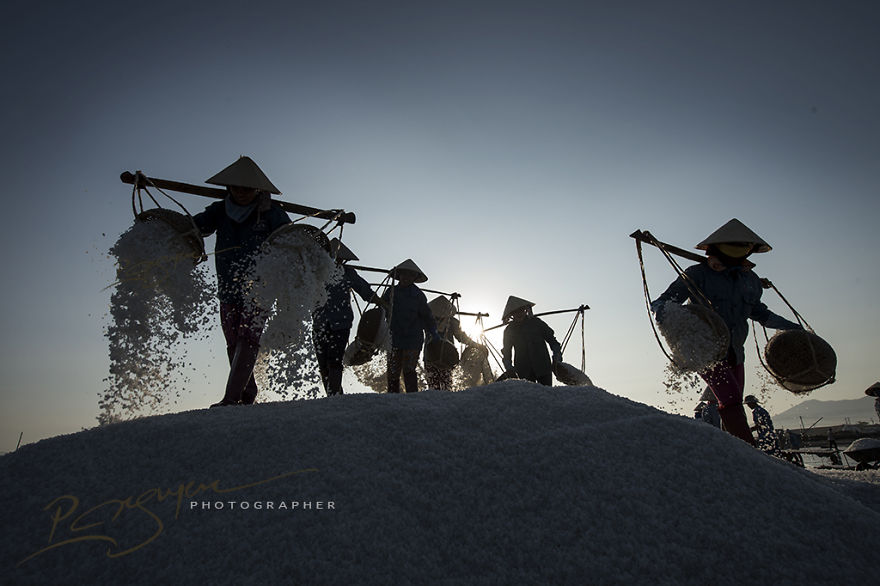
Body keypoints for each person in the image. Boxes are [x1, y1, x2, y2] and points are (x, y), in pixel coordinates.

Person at [651, 219, 802, 444]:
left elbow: (760, 313)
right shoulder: (697, 274)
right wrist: (671, 318)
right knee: (730, 399)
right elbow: (662, 302)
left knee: (732, 401)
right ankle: (750, 452)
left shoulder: (750, 281)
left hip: (735, 350)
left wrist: (794, 328)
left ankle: (729, 447)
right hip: (706, 349)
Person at [193, 156, 291, 407]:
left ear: (258, 189)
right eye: (237, 187)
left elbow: (290, 240)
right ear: (229, 188)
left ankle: (232, 397)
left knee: (248, 337)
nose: (242, 193)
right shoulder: (220, 210)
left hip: (261, 287)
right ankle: (247, 393)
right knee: (233, 340)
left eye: (248, 188)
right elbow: (196, 228)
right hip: (227, 286)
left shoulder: (272, 212)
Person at [312, 238, 385, 396]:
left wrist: (379, 301)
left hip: (341, 323)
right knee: (323, 363)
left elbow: (364, 289)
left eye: (339, 259)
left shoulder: (347, 272)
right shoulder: (315, 272)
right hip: (319, 323)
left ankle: (335, 396)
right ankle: (334, 393)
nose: (336, 261)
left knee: (334, 360)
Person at [381, 259, 440, 394]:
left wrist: (433, 332)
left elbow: (427, 316)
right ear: (399, 275)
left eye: (410, 275)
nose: (407, 278)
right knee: (393, 370)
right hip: (394, 336)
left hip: (413, 337)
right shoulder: (391, 291)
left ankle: (412, 398)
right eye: (404, 274)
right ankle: (392, 398)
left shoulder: (418, 295)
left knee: (409, 369)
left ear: (415, 278)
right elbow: (382, 308)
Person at [424, 295, 484, 390]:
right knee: (435, 384)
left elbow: (461, 337)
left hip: (446, 357)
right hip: (431, 356)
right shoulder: (428, 321)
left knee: (443, 385)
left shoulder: (452, 322)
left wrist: (476, 345)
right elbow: (462, 337)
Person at [500, 296, 563, 386]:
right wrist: (509, 368)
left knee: (546, 395)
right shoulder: (509, 330)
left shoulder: (537, 323)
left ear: (525, 310)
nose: (519, 314)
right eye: (516, 312)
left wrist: (557, 357)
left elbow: (553, 341)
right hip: (523, 370)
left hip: (543, 366)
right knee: (529, 398)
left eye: (521, 310)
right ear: (511, 314)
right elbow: (507, 352)